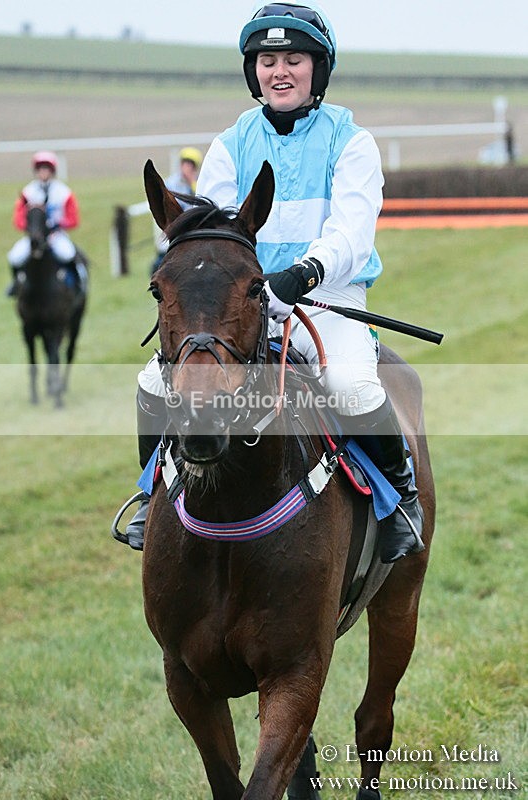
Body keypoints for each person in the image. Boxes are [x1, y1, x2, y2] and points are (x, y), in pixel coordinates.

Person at [121, 1, 424, 565]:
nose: (278, 71)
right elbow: (215, 232)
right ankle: (151, 489)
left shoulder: (352, 141)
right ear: (252, 71)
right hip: (246, 301)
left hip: (328, 297)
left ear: (318, 69)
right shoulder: (229, 143)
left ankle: (401, 500)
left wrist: (305, 272)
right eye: (266, 60)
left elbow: (352, 232)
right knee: (153, 383)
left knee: (354, 386)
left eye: (292, 59)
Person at [6, 151, 88, 296]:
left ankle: (79, 283)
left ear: (52, 171)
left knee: (67, 253)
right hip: (34, 235)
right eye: (40, 169)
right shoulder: (28, 192)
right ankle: (15, 284)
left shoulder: (63, 192)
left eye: (46, 169)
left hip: (56, 235)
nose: (43, 172)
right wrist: (31, 228)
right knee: (15, 256)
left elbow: (73, 218)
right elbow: (18, 218)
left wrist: (59, 224)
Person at [149, 146, 203, 274]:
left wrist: (191, 182)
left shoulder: (199, 182)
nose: (186, 167)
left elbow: (201, 200)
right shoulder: (171, 183)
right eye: (184, 163)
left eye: (190, 164)